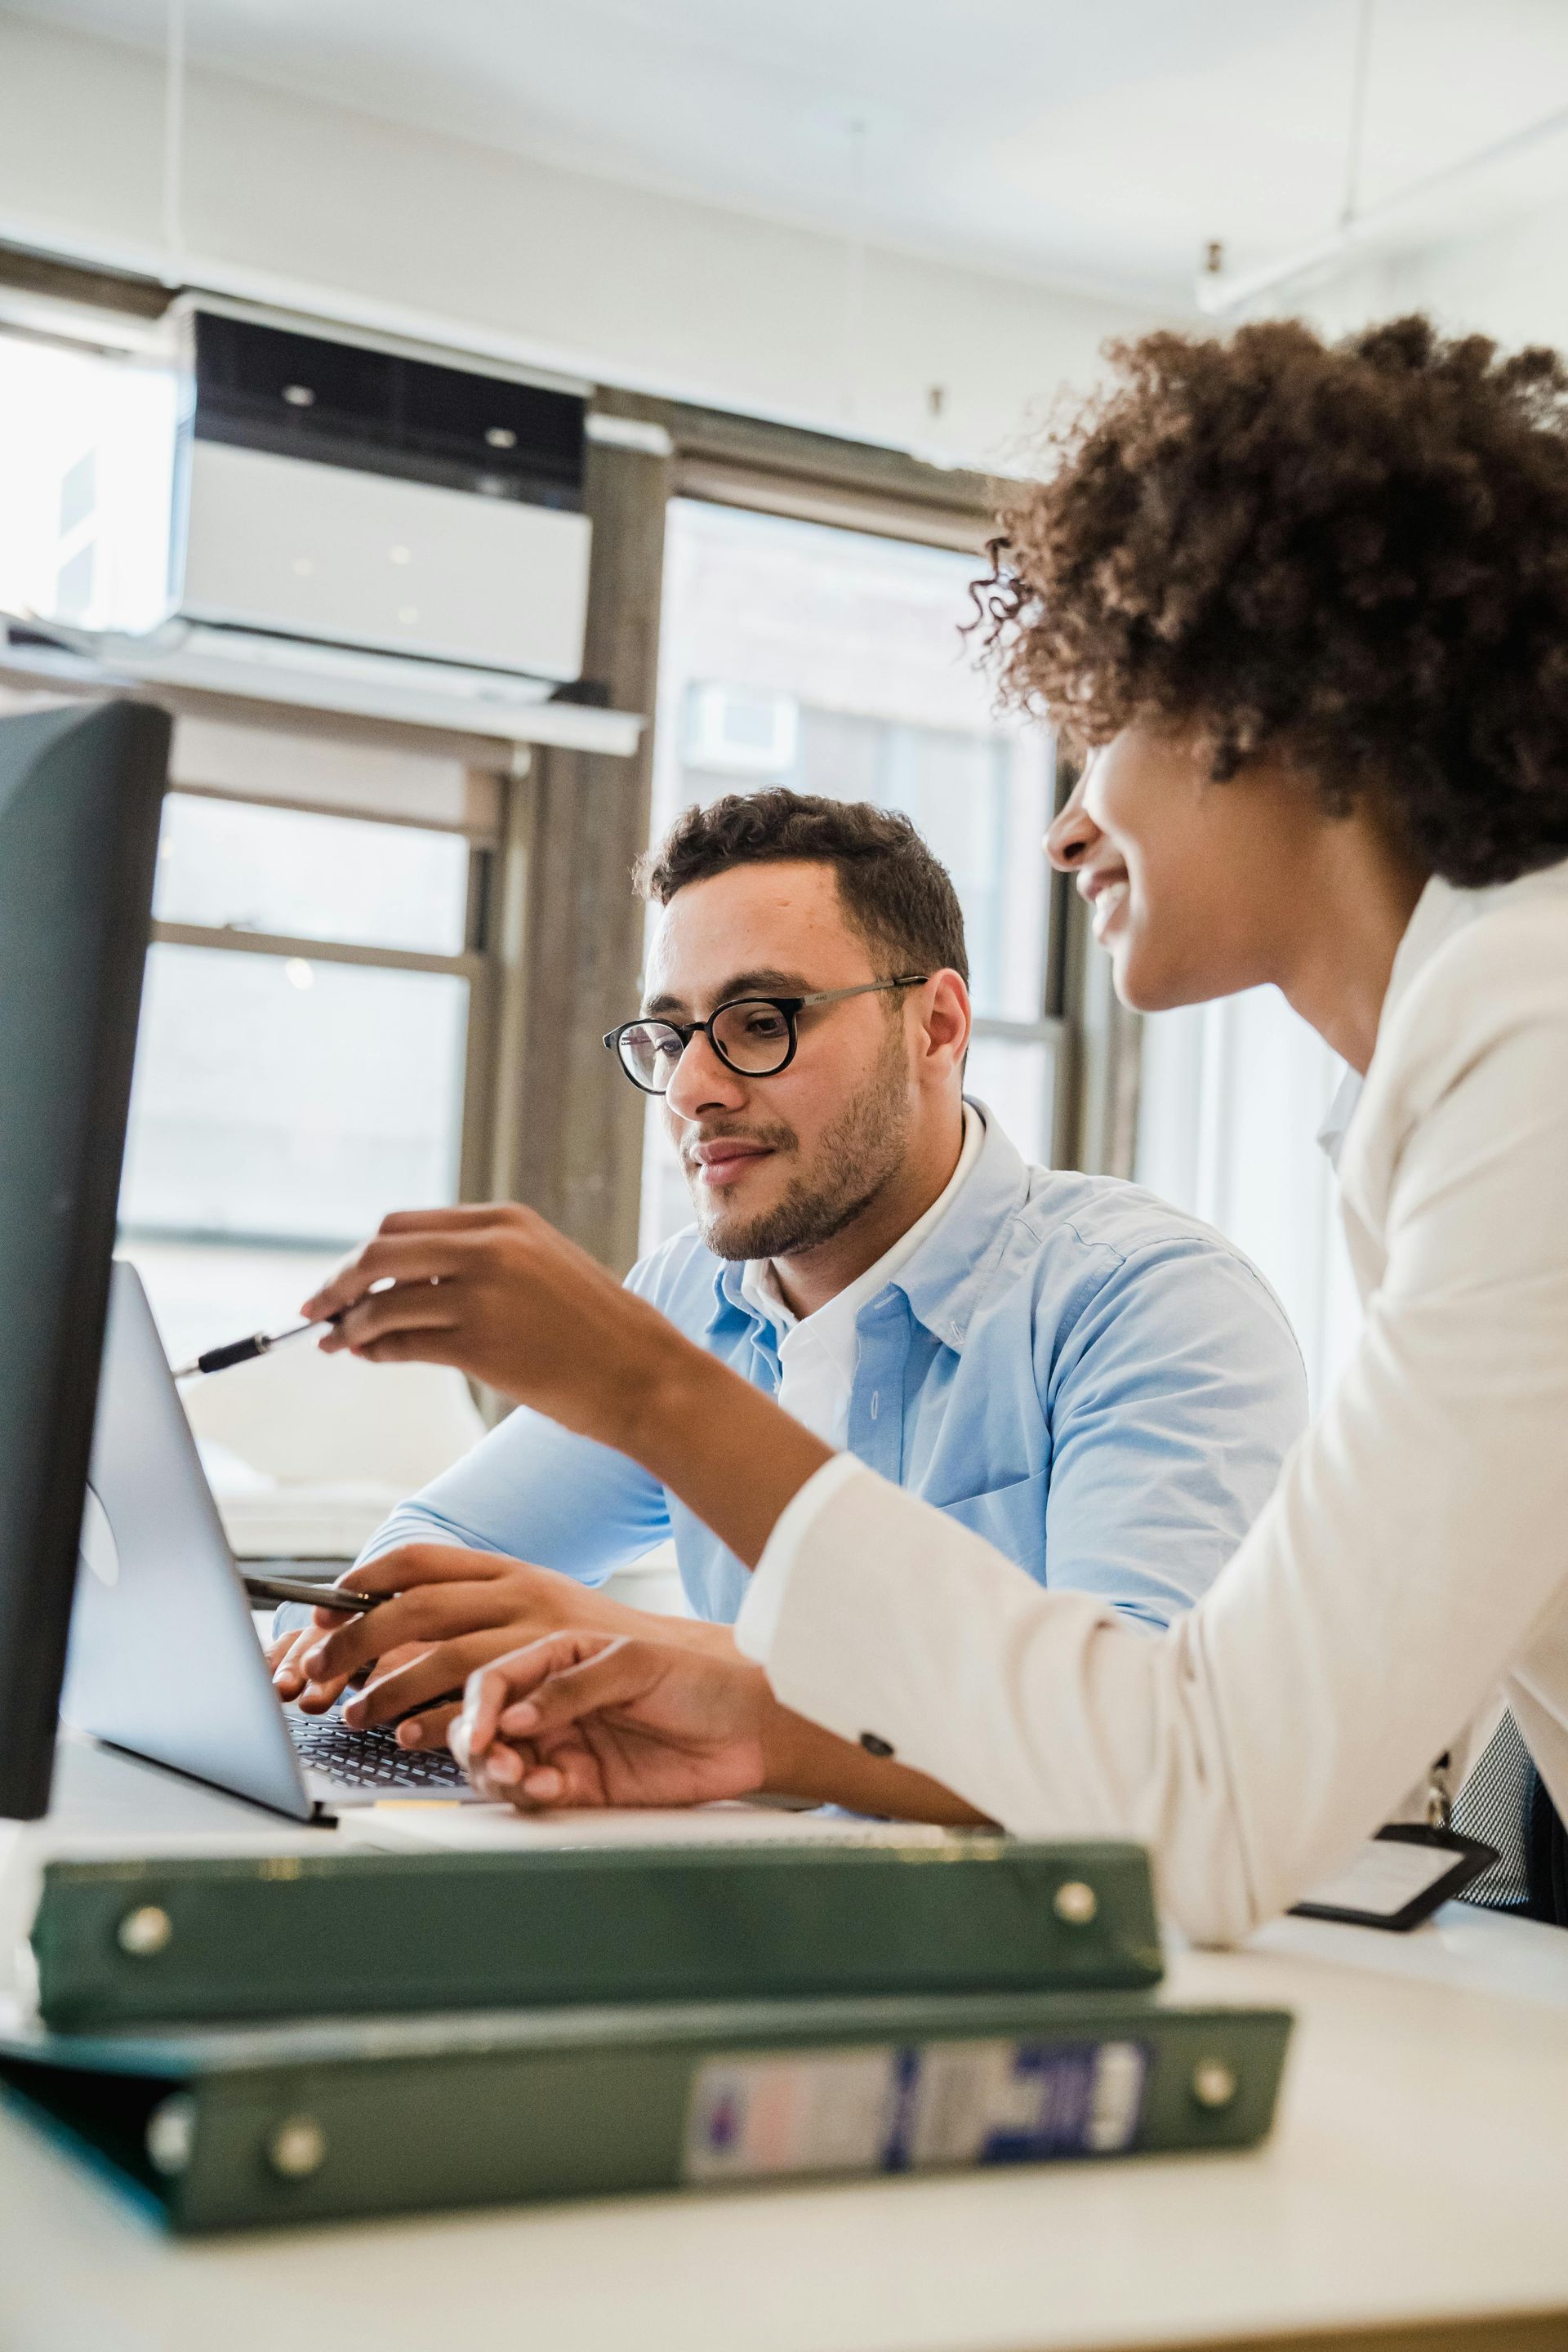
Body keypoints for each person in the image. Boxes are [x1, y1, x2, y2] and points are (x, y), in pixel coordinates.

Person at [304, 314, 1568, 1941]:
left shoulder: (1521, 1034)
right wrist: (750, 1716)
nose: (1063, 827)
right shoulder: (1455, 1055)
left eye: (1106, 716)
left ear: (1291, 700)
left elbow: (1210, 1796)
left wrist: (644, 1392)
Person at [274, 790, 1305, 1815]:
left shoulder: (1148, 1303)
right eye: (671, 1038)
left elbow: (1143, 1754)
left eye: (760, 1023)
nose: (693, 1090)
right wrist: (331, 1654)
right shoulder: (691, 1294)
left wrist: (650, 1651)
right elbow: (439, 1561)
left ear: (936, 1027)